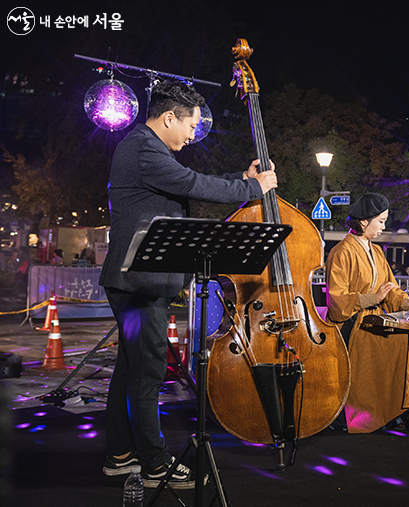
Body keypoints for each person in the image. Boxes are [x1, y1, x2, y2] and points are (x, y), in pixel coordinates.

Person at [98, 80, 277, 488]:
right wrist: (252, 187)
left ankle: (120, 454)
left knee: (130, 369)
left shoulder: (144, 147)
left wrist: (239, 176)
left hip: (134, 277)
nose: (193, 134)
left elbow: (186, 181)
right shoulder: (145, 147)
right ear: (168, 118)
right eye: (191, 126)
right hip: (139, 279)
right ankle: (156, 464)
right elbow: (193, 184)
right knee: (148, 372)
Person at [325, 193, 409, 440]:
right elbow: (337, 302)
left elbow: (391, 291)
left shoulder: (377, 251)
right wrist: (372, 299)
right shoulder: (341, 251)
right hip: (354, 325)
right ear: (363, 221)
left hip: (377, 320)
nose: (383, 226)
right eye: (380, 221)